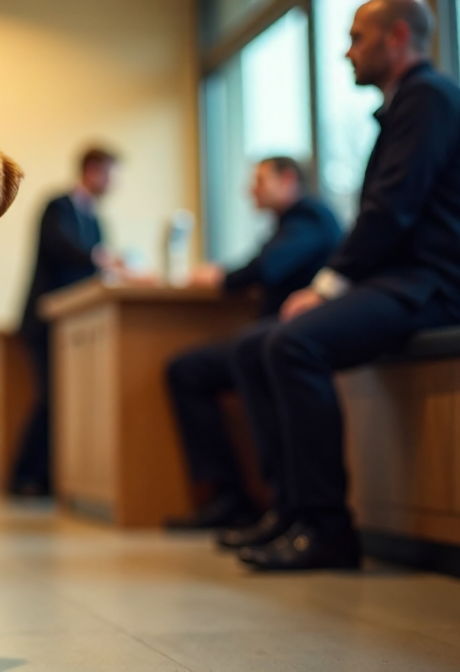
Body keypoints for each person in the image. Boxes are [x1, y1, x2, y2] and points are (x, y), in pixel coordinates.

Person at [223, 0, 460, 570]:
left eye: (357, 37)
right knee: (255, 344)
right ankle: (289, 511)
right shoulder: (406, 105)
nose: (346, 50)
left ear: (399, 36)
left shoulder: (428, 99)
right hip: (400, 281)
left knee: (292, 342)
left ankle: (328, 527)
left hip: (432, 285)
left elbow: (391, 211)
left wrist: (329, 286)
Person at [163, 157, 342, 530]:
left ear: (288, 179)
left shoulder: (310, 216)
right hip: (274, 334)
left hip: (293, 337)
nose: (250, 190)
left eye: (260, 181)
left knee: (223, 360)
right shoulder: (289, 223)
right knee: (190, 369)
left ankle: (265, 502)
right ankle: (233, 496)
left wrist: (222, 277)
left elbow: (269, 266)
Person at [12, 147, 126, 497]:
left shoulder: (95, 219)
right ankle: (24, 476)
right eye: (110, 174)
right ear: (92, 171)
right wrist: (100, 258)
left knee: (66, 400)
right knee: (50, 397)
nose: (114, 183)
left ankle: (50, 477)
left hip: (76, 323)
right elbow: (60, 248)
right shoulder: (58, 206)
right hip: (46, 320)